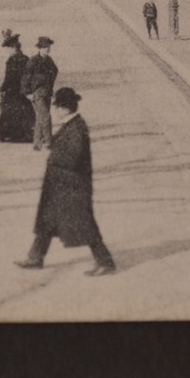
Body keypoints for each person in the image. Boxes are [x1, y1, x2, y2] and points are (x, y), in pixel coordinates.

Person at [15, 88, 117, 276]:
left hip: (72, 187)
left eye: (57, 106)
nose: (54, 109)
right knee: (46, 221)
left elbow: (73, 157)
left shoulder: (77, 127)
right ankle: (35, 258)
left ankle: (105, 262)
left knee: (84, 224)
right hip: (61, 185)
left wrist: (53, 156)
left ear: (65, 108)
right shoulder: (72, 124)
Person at [0, 31, 35, 143]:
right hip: (23, 91)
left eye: (7, 48)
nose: (7, 51)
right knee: (24, 111)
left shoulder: (11, 60)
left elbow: (9, 78)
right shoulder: (26, 58)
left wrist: (2, 89)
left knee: (8, 110)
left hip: (13, 91)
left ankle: (8, 134)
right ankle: (25, 134)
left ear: (12, 48)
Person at [22, 36, 59, 151]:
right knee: (46, 117)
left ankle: (37, 144)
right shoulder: (33, 60)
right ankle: (49, 142)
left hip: (47, 93)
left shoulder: (49, 60)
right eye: (44, 47)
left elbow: (55, 70)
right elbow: (25, 77)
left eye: (48, 47)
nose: (47, 49)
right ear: (39, 48)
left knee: (40, 118)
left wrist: (49, 86)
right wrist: (28, 92)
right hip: (36, 93)